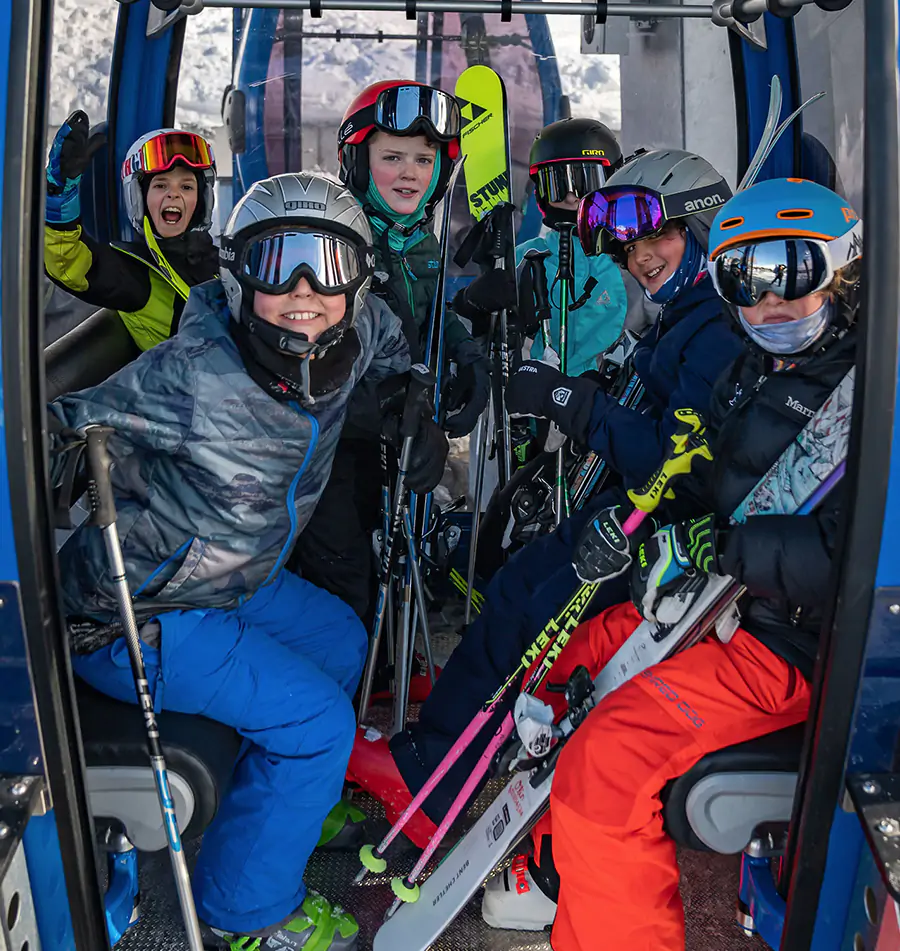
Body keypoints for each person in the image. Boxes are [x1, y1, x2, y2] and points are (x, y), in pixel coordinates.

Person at [50, 173, 448, 951]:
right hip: (138, 612)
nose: (304, 290)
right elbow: (59, 427)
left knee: (340, 637)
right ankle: (247, 911)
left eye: (328, 265)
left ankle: (290, 801)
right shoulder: (196, 371)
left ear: (359, 279)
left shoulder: (356, 333)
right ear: (237, 273)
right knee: (319, 721)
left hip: (231, 582)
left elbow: (396, 350)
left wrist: (416, 405)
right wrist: (60, 470)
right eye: (277, 263)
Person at [480, 177, 861, 950]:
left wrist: (719, 548)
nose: (769, 305)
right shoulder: (753, 371)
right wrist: (638, 533)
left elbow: (849, 561)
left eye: (794, 274)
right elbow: (699, 478)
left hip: (784, 647)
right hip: (716, 606)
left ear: (842, 273)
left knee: (604, 765)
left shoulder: (865, 398)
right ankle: (562, 879)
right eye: (744, 283)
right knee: (559, 658)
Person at [346, 148, 746, 845]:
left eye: (657, 236)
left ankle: (435, 772)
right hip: (621, 516)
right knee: (511, 587)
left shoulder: (716, 328)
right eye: (626, 245)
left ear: (703, 228)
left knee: (534, 613)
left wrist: (570, 400)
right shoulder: (683, 315)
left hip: (659, 540)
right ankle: (428, 764)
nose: (639, 257)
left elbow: (676, 464)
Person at [291, 80, 486, 631]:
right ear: (357, 161)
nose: (409, 173)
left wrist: (465, 352)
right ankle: (342, 687)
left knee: (393, 550)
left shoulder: (418, 238)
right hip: (332, 446)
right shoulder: (329, 243)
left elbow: (429, 310)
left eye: (424, 159)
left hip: (395, 433)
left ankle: (388, 654)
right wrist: (387, 413)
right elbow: (307, 365)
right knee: (345, 567)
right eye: (392, 156)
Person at [454, 117, 629, 376]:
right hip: (531, 405)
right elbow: (468, 337)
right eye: (558, 185)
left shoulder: (633, 259)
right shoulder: (524, 258)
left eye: (584, 182)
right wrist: (471, 304)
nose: (571, 197)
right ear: (541, 194)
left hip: (610, 405)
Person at [44, 114, 219, 351]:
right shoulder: (136, 273)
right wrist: (58, 198)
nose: (173, 194)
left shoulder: (225, 260)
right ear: (139, 199)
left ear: (201, 200)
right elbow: (69, 262)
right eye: (160, 185)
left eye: (186, 186)